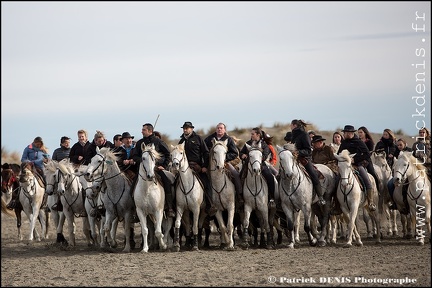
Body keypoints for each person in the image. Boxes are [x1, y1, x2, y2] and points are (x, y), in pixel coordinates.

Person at [131, 123, 175, 218]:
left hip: (157, 169)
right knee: (132, 187)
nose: (142, 131)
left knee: (167, 183)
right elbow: (134, 156)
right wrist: (142, 161)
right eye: (142, 130)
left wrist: (164, 165)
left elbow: (168, 154)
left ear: (150, 131)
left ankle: (169, 208)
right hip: (143, 171)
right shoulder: (139, 143)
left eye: (144, 130)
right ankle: (135, 210)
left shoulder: (158, 142)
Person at [179, 121, 217, 217]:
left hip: (198, 167)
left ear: (192, 129)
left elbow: (206, 153)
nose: (185, 130)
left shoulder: (198, 138)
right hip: (185, 168)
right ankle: (176, 206)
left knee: (206, 183)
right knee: (176, 183)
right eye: (184, 128)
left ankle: (210, 205)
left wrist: (204, 166)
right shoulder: (181, 141)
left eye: (187, 128)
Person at [337, 125, 379, 211]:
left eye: (348, 133)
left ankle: (370, 201)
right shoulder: (344, 143)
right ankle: (336, 204)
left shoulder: (359, 142)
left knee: (366, 179)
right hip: (345, 166)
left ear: (351, 133)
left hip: (357, 165)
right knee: (336, 180)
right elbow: (339, 154)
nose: (346, 134)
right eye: (345, 133)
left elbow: (367, 154)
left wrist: (354, 159)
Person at [204, 122, 243, 210]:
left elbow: (234, 153)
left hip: (225, 162)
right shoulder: (209, 139)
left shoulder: (229, 139)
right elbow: (204, 151)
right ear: (216, 129)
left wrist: (224, 159)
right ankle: (206, 200)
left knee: (235, 174)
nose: (219, 129)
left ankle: (239, 195)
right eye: (218, 128)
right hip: (212, 164)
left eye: (221, 128)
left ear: (225, 130)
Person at [289, 120, 325, 206]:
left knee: (313, 175)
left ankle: (320, 197)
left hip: (304, 160)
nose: (290, 126)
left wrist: (298, 152)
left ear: (294, 125)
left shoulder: (304, 135)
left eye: (291, 125)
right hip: (293, 159)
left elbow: (308, 150)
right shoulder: (293, 135)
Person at [239, 127, 277, 209]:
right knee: (240, 177)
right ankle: (240, 198)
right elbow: (241, 152)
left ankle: (271, 198)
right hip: (248, 165)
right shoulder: (248, 143)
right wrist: (242, 155)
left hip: (261, 165)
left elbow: (265, 155)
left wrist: (256, 158)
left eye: (253, 134)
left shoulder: (264, 145)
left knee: (270, 177)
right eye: (251, 134)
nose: (251, 135)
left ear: (258, 135)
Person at [311, 135, 340, 214]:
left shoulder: (328, 149)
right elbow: (312, 161)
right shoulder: (314, 151)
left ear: (320, 142)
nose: (313, 145)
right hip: (318, 170)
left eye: (315, 143)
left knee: (338, 182)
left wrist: (325, 166)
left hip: (329, 169)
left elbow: (334, 160)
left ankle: (337, 203)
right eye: (313, 143)